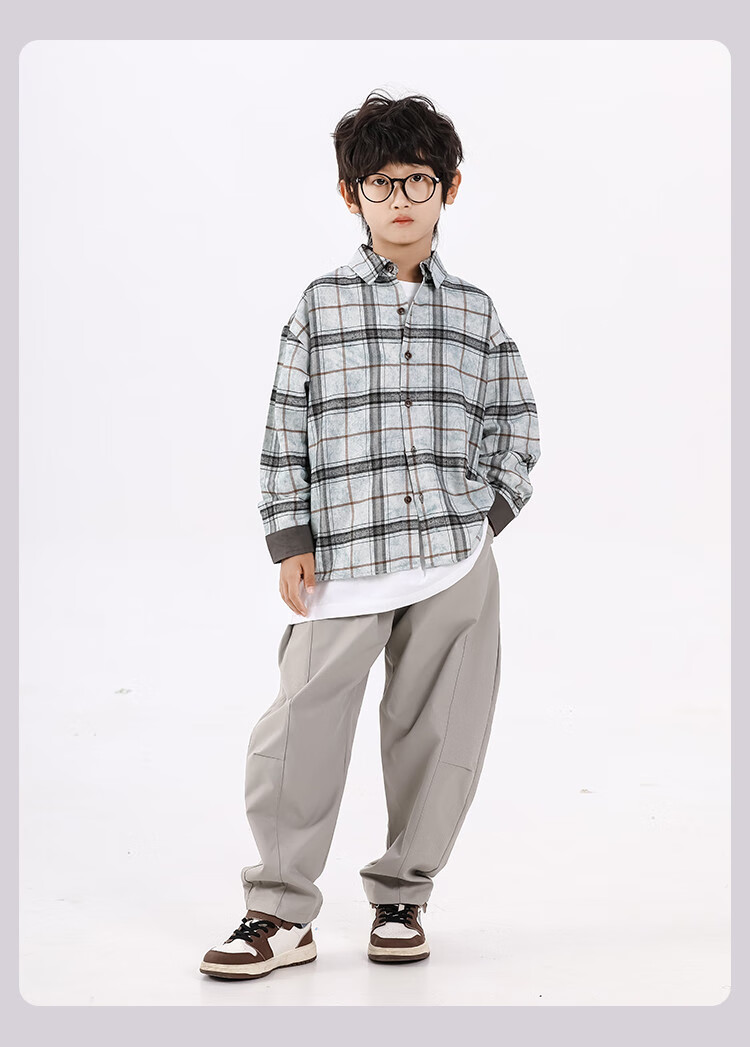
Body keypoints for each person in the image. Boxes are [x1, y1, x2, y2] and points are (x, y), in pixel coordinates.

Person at [200, 89, 541, 981]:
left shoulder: (475, 311)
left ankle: (403, 896)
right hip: (345, 558)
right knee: (299, 725)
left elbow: (517, 423)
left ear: (449, 188)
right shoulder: (319, 306)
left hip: (453, 559)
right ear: (351, 194)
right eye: (380, 183)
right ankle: (278, 911)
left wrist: (486, 518)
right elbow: (286, 426)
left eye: (417, 180)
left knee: (442, 731)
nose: (400, 199)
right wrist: (291, 538)